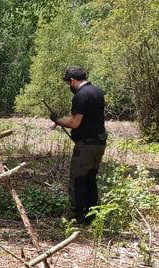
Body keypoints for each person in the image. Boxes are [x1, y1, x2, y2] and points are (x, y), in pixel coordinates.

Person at [50, 66, 106, 223]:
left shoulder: (80, 96)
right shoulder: (97, 92)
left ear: (73, 80)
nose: (69, 87)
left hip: (86, 146)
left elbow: (75, 123)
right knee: (90, 180)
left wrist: (57, 120)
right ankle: (92, 216)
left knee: (78, 180)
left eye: (69, 83)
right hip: (99, 143)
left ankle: (76, 218)